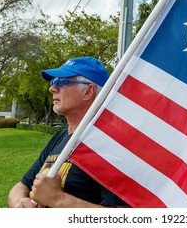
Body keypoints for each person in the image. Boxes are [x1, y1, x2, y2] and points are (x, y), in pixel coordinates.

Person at [8, 57, 128, 208]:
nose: (52, 88)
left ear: (88, 91)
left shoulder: (113, 144)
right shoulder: (60, 137)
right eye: (53, 82)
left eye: (61, 82)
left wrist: (58, 200)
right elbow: (21, 186)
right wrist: (20, 203)